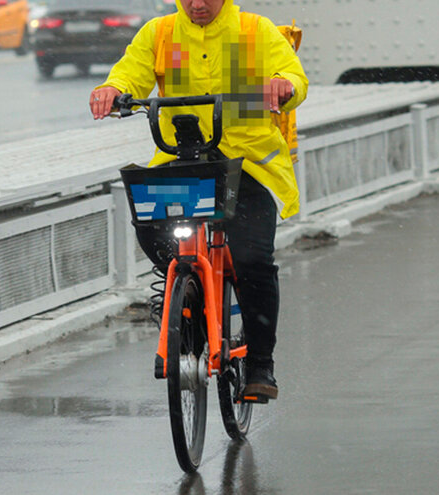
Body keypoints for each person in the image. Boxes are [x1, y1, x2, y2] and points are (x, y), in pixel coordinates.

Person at [89, 0, 308, 401]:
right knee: (151, 225)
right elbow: (130, 72)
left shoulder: (254, 30)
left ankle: (260, 364)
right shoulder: (160, 33)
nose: (197, 4)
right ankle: (186, 300)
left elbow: (292, 75)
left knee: (252, 261)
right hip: (183, 158)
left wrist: (284, 85)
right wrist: (113, 89)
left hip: (247, 164)